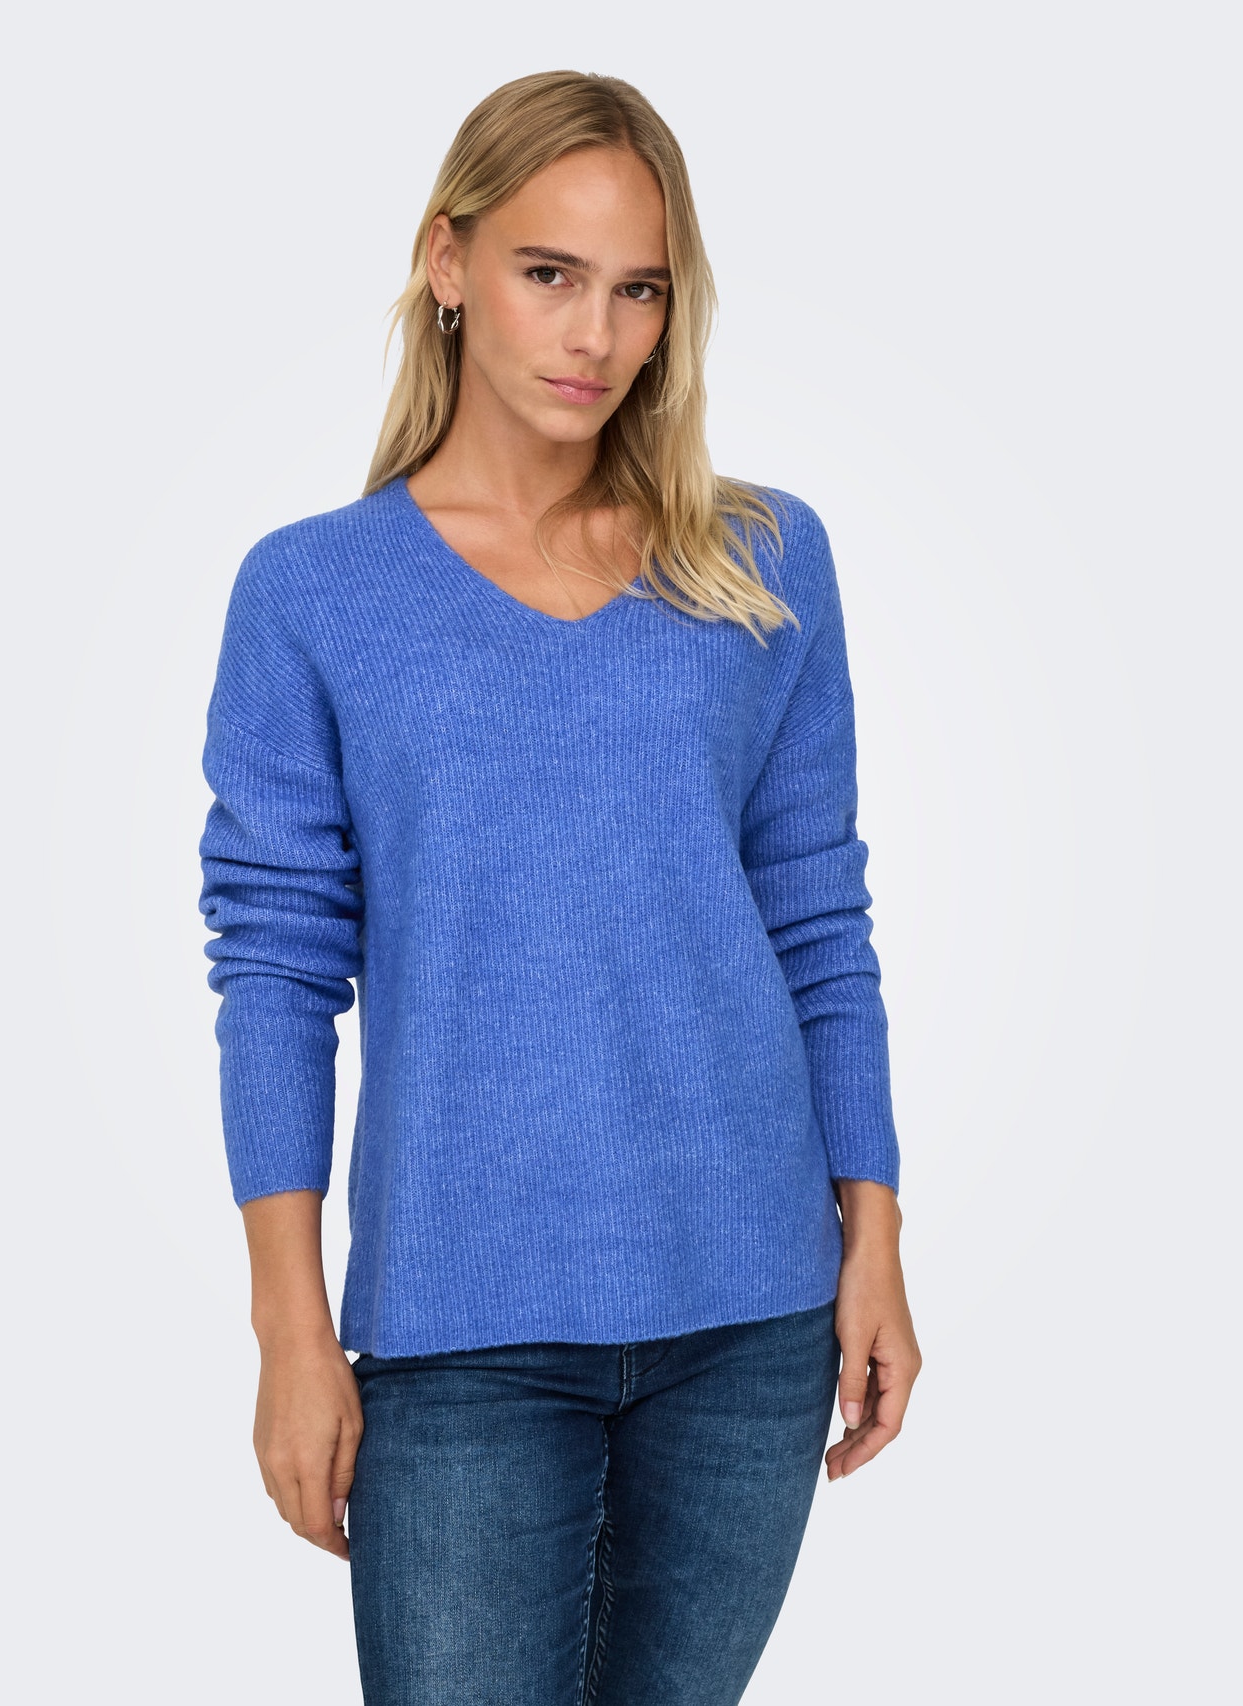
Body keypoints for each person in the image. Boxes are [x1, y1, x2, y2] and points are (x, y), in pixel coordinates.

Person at [198, 68, 922, 1706]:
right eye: (550, 273)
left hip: (754, 1320)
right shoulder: (312, 592)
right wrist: (290, 1330)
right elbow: (277, 972)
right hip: (462, 1336)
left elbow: (819, 915)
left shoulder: (761, 561)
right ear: (446, 261)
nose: (597, 334)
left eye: (640, 289)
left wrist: (873, 1232)